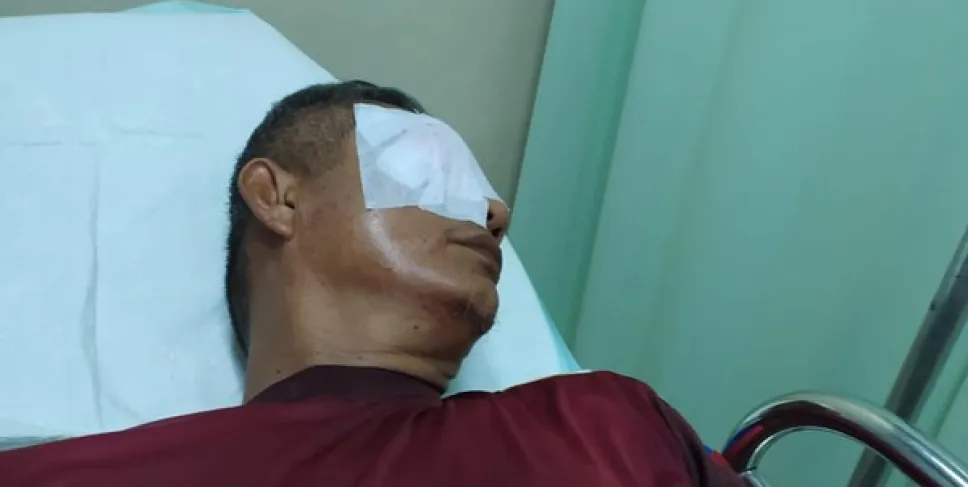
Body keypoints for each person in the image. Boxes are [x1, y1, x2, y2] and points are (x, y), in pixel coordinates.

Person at [0, 81, 746, 487]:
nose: (495, 211)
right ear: (277, 198)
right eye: (432, 167)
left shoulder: (611, 420)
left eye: (484, 188)